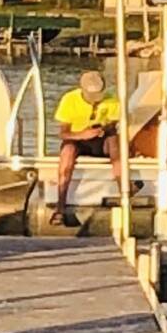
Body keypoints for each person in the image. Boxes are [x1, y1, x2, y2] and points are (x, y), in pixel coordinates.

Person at [52, 69, 124, 226]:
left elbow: (114, 125)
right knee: (68, 151)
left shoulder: (112, 100)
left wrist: (103, 129)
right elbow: (63, 133)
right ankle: (60, 204)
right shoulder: (69, 100)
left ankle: (124, 192)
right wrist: (82, 134)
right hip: (78, 139)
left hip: (101, 139)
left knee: (114, 142)